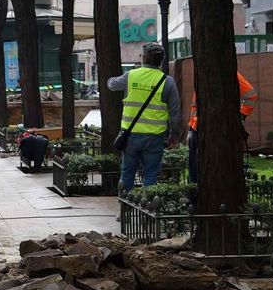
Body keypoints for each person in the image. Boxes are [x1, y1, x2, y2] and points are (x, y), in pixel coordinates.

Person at [109, 43, 182, 193]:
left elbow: (113, 85)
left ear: (144, 58)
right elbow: (175, 113)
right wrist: (175, 135)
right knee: (150, 176)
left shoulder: (131, 76)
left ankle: (125, 205)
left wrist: (109, 79)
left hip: (130, 136)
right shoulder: (167, 81)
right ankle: (148, 205)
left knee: (127, 174)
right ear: (161, 60)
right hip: (154, 137)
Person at [187, 71, 259, 183]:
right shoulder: (223, 73)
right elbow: (251, 96)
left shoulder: (206, 72)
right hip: (207, 128)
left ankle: (197, 189)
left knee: (199, 169)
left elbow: (251, 96)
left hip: (202, 128)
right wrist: (240, 117)